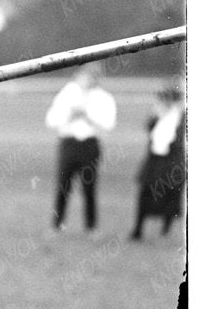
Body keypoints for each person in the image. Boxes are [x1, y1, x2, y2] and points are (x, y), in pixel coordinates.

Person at [46, 61, 117, 232]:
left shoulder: (103, 98)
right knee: (63, 185)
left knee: (89, 187)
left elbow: (109, 124)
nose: (87, 80)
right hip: (69, 143)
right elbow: (51, 120)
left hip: (89, 145)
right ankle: (57, 225)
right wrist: (70, 115)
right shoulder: (67, 94)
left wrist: (88, 116)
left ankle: (90, 227)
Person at [130, 82, 186, 239]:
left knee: (171, 195)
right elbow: (150, 131)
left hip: (171, 162)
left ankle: (165, 229)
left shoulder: (180, 117)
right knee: (145, 193)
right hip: (154, 161)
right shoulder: (158, 115)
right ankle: (138, 229)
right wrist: (156, 116)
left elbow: (177, 140)